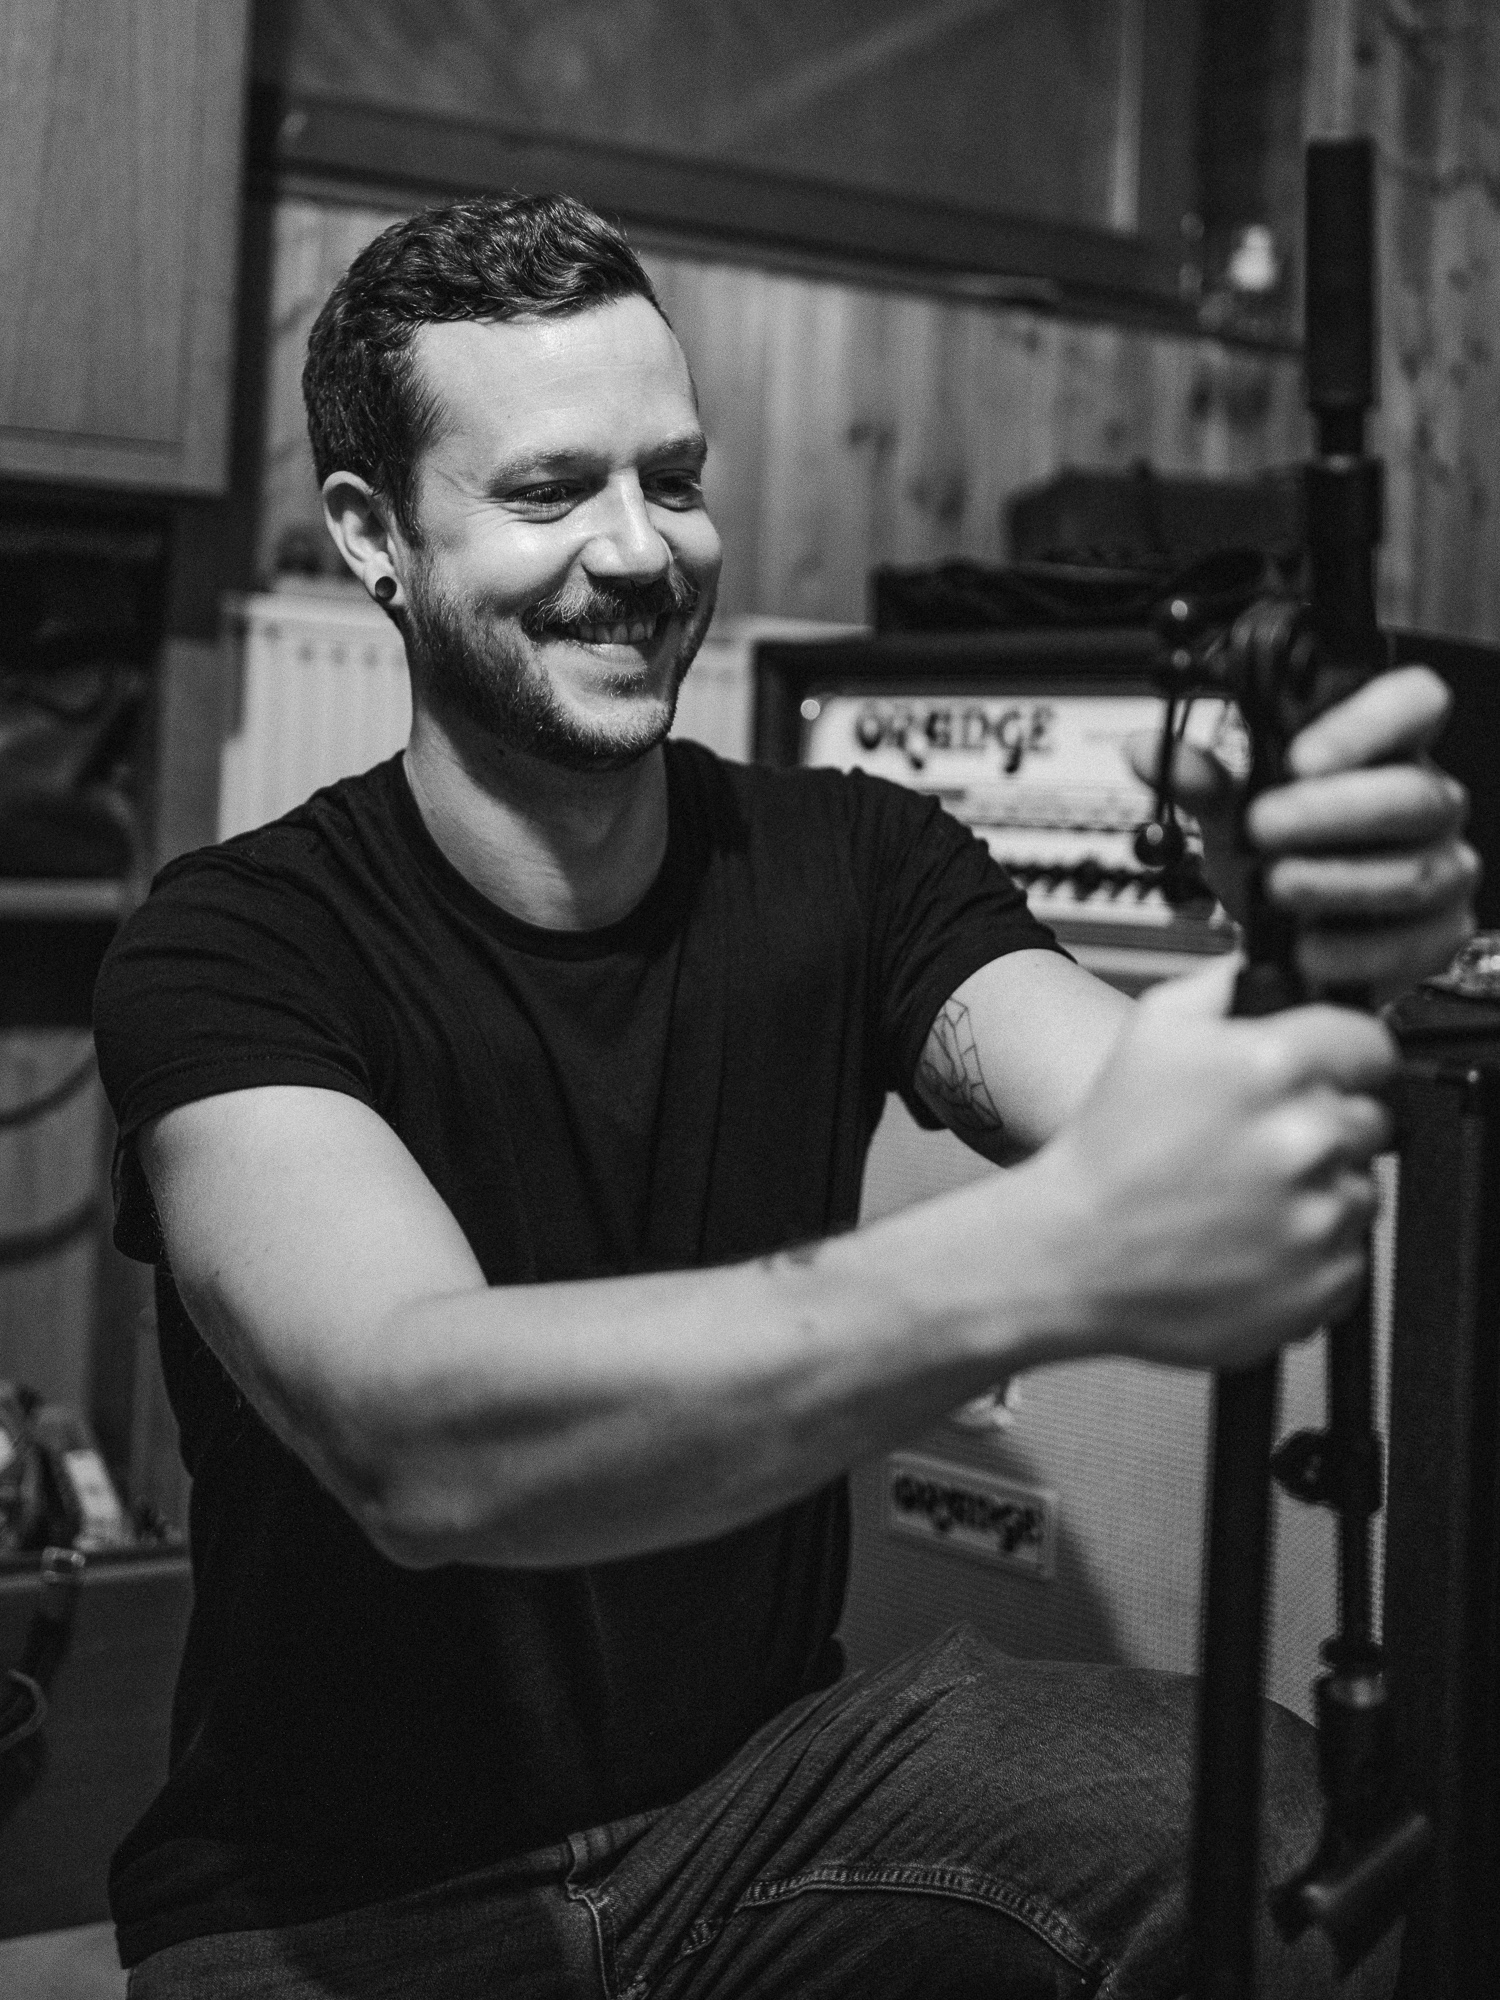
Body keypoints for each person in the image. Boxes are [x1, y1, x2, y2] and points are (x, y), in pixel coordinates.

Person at [93, 193, 1476, 1999]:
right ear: (375, 536)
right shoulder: (234, 942)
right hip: (340, 1911)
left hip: (758, 1813)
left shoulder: (860, 862)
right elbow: (413, 1438)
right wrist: (1047, 1259)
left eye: (672, 479)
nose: (637, 550)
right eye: (549, 493)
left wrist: (1307, 953)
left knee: (1278, 1832)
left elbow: (1138, 1105)